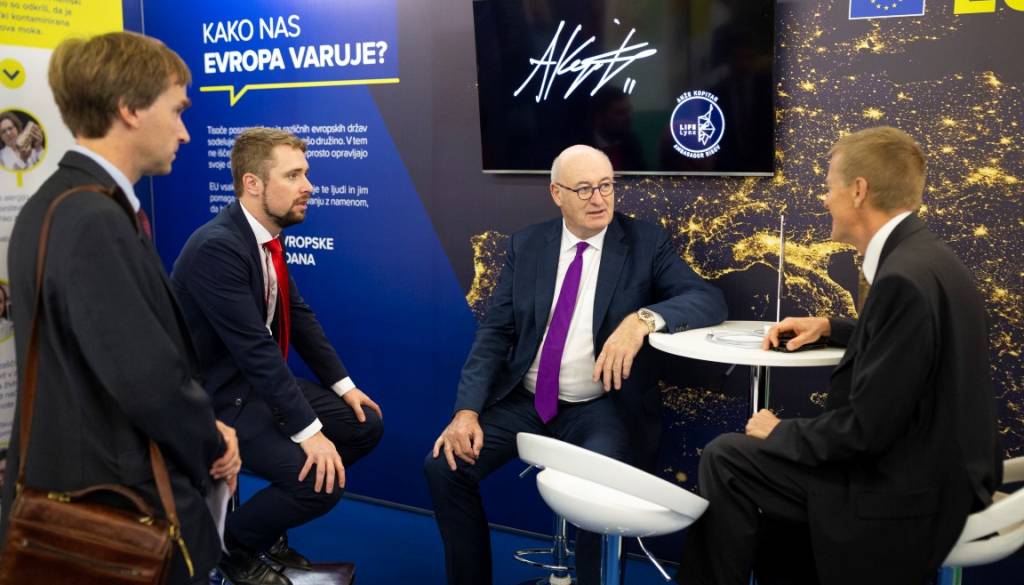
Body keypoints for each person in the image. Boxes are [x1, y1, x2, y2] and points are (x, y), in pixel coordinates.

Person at [676, 126, 1001, 585]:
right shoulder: (926, 258)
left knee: (728, 457)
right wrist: (832, 327)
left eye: (829, 186)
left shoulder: (900, 280)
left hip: (910, 492)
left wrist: (780, 432)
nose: (825, 199)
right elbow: (911, 344)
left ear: (859, 191)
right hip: (944, 470)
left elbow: (866, 430)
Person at [424, 144, 728, 585]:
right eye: (584, 189)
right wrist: (466, 412)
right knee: (444, 467)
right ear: (557, 194)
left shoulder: (644, 242)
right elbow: (495, 334)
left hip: (601, 405)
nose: (599, 199)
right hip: (526, 401)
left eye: (606, 186)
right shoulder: (528, 244)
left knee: (595, 491)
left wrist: (642, 320)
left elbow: (707, 298)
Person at [1, 32, 241, 585]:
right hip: (116, 511)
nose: (184, 131)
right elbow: (148, 381)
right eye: (177, 110)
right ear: (130, 109)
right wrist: (214, 443)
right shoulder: (93, 220)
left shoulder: (55, 204)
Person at [171, 128, 384, 585]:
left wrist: (344, 387)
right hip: (218, 401)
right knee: (318, 483)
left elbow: (298, 317)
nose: (309, 186)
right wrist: (310, 434)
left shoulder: (263, 236)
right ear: (252, 184)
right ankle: (229, 548)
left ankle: (262, 529)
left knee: (364, 424)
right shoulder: (218, 248)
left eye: (305, 173)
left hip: (253, 389)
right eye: (293, 175)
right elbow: (257, 351)